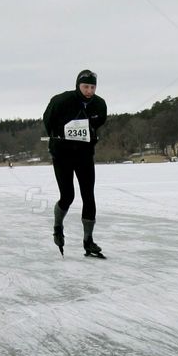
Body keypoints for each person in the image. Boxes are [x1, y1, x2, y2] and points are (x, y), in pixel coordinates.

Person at [43, 69, 108, 257]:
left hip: (84, 154)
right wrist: (58, 137)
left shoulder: (99, 105)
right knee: (68, 196)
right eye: (85, 86)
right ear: (78, 85)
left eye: (92, 87)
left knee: (89, 196)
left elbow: (97, 123)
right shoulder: (61, 101)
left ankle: (88, 240)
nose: (89, 90)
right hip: (62, 154)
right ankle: (58, 226)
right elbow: (48, 121)